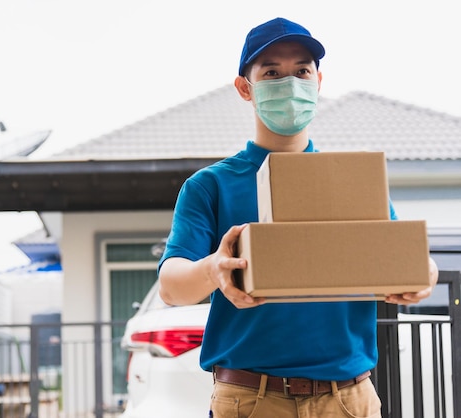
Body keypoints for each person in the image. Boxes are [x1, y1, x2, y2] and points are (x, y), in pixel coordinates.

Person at [157, 17, 439, 418]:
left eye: (301, 71)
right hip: (251, 400)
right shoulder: (210, 186)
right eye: (271, 72)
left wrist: (421, 275)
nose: (289, 83)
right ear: (244, 88)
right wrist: (215, 269)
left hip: (348, 400)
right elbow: (171, 287)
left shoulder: (350, 179)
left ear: (318, 82)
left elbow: (401, 257)